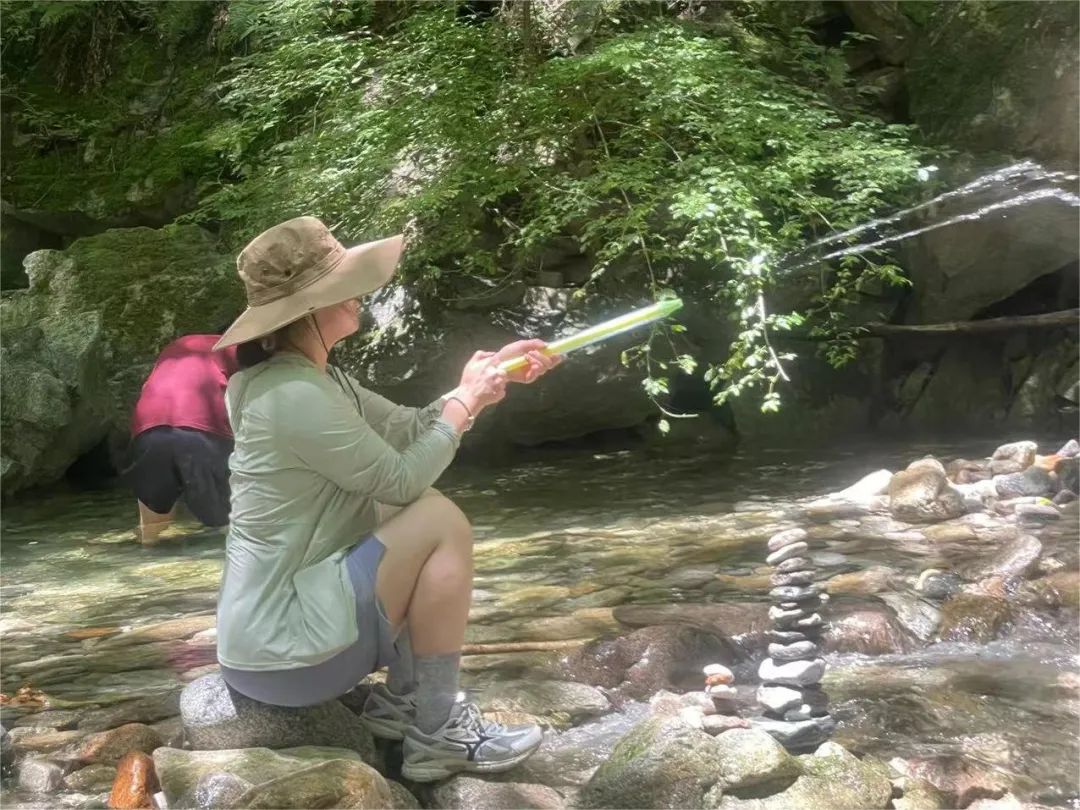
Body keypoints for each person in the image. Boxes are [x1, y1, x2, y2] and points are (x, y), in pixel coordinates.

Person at [212, 216, 559, 782]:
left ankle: (405, 703)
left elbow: (410, 427)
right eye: (342, 284)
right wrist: (465, 406)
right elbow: (401, 480)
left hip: (267, 645)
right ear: (308, 307)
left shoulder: (300, 380)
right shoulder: (294, 394)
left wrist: (485, 381)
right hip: (287, 652)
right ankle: (438, 728)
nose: (359, 294)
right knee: (437, 519)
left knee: (410, 516)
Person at [126, 332, 240, 544]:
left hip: (148, 426)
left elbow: (148, 387)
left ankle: (146, 547)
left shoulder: (179, 346)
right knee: (233, 524)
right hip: (203, 428)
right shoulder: (236, 349)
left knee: (154, 524)